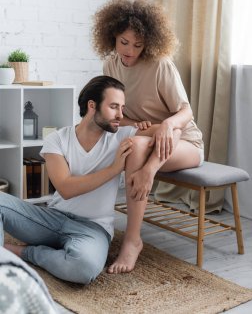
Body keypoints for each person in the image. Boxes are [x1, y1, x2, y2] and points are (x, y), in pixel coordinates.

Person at [0, 75, 167, 284]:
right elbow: (66, 187)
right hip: (52, 219)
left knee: (83, 268)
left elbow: (171, 132)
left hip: (93, 229)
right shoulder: (58, 139)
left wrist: (150, 168)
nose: (120, 114)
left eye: (122, 108)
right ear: (92, 106)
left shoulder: (122, 135)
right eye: (114, 107)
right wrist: (114, 168)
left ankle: (26, 253)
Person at [92, 0, 204, 273]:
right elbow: (117, 116)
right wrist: (143, 125)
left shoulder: (160, 65)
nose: (129, 51)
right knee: (136, 142)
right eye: (123, 42)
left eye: (138, 45)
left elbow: (185, 112)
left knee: (137, 146)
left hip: (184, 141)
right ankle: (117, 230)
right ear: (112, 37)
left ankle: (132, 241)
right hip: (148, 134)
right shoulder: (111, 66)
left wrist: (166, 127)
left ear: (148, 43)